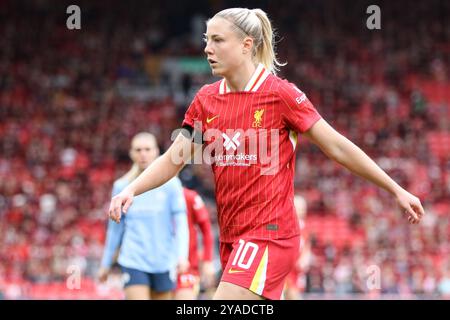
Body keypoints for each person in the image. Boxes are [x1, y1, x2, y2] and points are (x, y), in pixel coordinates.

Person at [108, 8, 425, 300]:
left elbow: (338, 146)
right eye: (207, 40)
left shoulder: (280, 94)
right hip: (232, 238)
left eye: (218, 40)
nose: (207, 49)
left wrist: (395, 189)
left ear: (246, 45)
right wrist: (131, 189)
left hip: (270, 234)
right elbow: (172, 160)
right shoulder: (205, 101)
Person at [99, 132, 189, 300]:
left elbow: (181, 224)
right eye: (138, 150)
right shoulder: (121, 187)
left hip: (164, 261)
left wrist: (182, 256)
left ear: (156, 152)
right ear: (131, 153)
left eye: (147, 149)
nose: (143, 154)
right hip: (133, 260)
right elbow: (114, 230)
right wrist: (106, 263)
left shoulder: (172, 185)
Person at [174, 187, 216, 299]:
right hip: (159, 266)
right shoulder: (150, 198)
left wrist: (207, 260)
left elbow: (206, 229)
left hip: (187, 266)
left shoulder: (190, 196)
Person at [283, 195, 311, 300]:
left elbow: (306, 246)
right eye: (299, 208)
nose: (302, 211)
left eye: (304, 208)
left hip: (296, 270)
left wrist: (305, 257)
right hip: (286, 269)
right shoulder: (285, 225)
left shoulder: (305, 227)